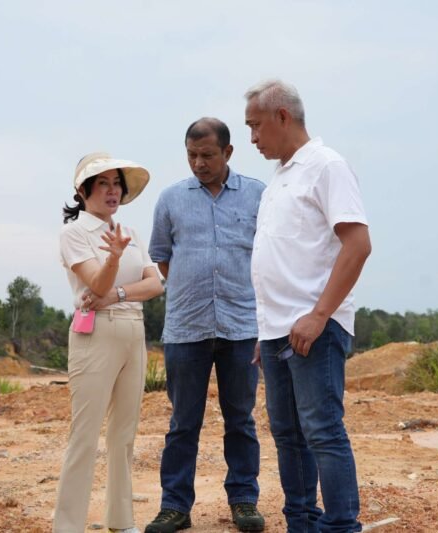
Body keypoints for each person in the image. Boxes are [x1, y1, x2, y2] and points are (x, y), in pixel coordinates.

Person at [244, 79, 372, 532]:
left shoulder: (326, 166)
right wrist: (266, 329)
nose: (252, 139)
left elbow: (357, 245)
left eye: (256, 127)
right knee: (288, 435)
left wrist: (319, 315)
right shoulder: (280, 178)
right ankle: (301, 522)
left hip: (314, 328)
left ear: (283, 117)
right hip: (277, 330)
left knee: (322, 431)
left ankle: (341, 526)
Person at [145, 118, 265, 532]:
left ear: (228, 153)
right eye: (192, 155)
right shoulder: (170, 199)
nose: (199, 163)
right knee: (182, 423)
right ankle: (174, 506)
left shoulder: (257, 195)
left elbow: (268, 258)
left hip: (242, 326)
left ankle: (245, 500)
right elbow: (162, 256)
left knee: (241, 420)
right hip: (186, 328)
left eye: (208, 155)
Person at [54, 152, 163, 533]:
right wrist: (113, 262)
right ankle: (68, 526)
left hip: (133, 330)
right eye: (103, 184)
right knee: (85, 434)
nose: (112, 191)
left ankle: (121, 520)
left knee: (124, 433)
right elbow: (94, 284)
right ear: (83, 191)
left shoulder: (128, 232)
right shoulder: (74, 233)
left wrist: (118, 292)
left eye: (117, 184)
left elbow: (155, 284)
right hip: (95, 332)